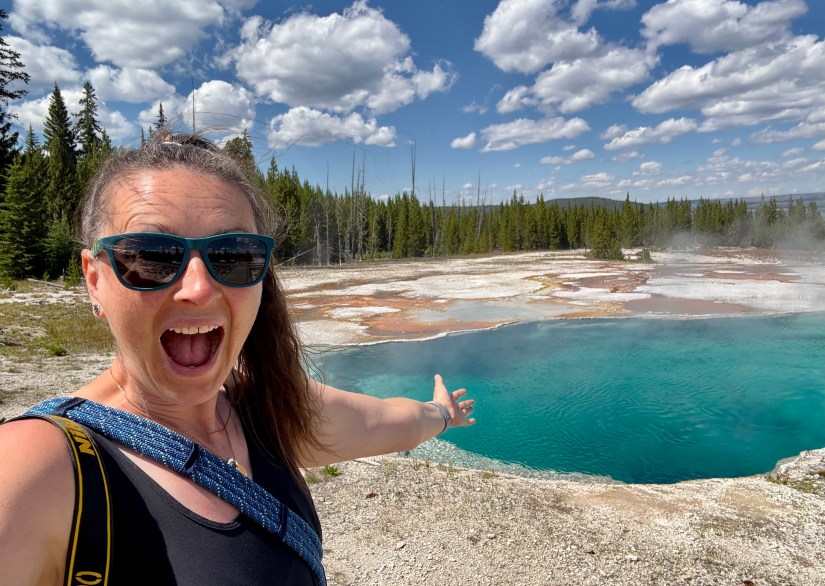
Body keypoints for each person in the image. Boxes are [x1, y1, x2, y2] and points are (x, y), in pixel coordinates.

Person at [0, 132, 475, 585]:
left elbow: (382, 422)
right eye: (151, 256)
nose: (200, 288)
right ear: (94, 280)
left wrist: (441, 413)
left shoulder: (264, 408)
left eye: (233, 255)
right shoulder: (37, 466)